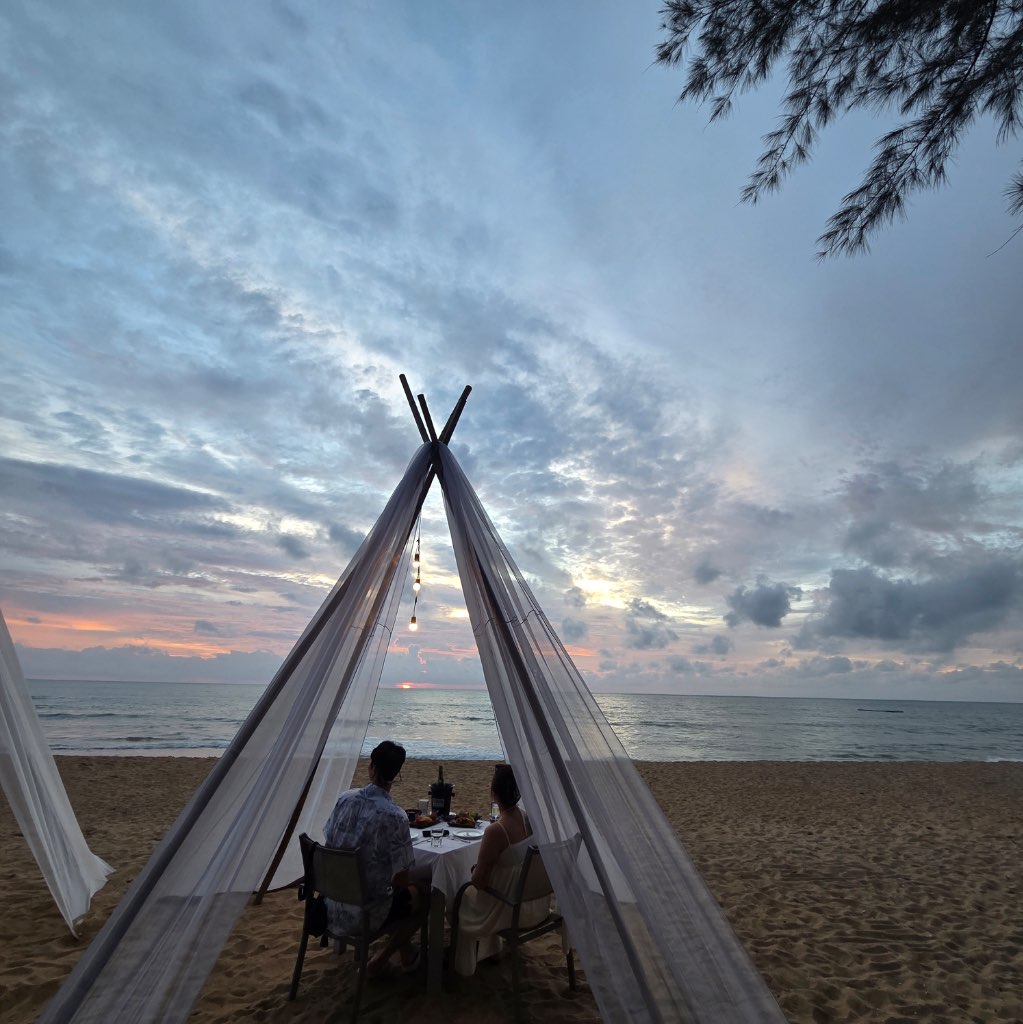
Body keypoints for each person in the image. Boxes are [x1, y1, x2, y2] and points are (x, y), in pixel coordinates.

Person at [323, 740, 422, 975]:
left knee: (392, 890)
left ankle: (406, 952)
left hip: (329, 905)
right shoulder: (395, 817)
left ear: (372, 767)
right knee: (425, 894)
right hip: (365, 914)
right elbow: (400, 882)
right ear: (396, 775)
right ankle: (382, 958)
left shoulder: (344, 799)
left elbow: (329, 844)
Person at [450, 763, 550, 977]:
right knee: (493, 881)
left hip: (510, 908)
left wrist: (474, 870)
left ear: (494, 793)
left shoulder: (496, 831)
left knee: (457, 894)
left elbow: (479, 883)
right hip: (535, 905)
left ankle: (463, 963)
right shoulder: (527, 819)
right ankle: (493, 950)